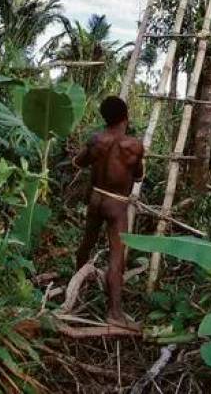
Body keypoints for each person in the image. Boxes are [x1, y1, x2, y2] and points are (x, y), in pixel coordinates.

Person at [72, 95, 144, 325]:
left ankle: (76, 291)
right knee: (116, 258)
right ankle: (114, 313)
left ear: (105, 118)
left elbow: (79, 162)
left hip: (96, 198)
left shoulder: (96, 140)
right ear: (125, 117)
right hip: (116, 203)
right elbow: (139, 175)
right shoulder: (134, 146)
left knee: (86, 244)